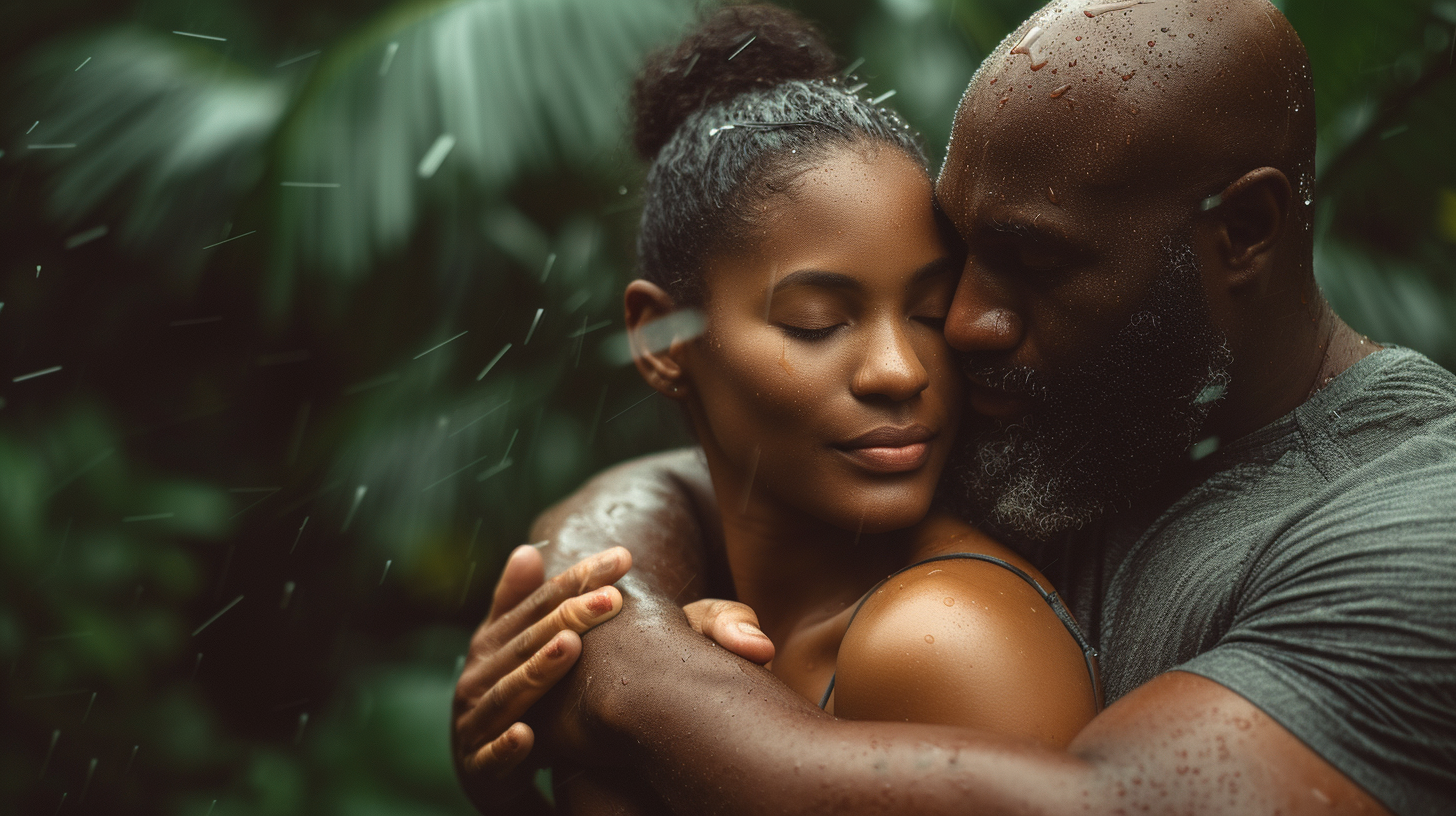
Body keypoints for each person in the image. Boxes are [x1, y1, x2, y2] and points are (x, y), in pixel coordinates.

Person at [454, 1, 1456, 814]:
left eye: (1032, 262)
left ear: (1241, 229)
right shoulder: (1078, 408)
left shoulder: (1418, 527)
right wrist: (598, 603)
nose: (962, 325)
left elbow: (1106, 805)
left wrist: (632, 681)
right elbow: (701, 471)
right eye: (960, 265)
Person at [463, 7, 1103, 812]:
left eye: (931, 312)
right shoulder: (721, 617)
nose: (899, 371)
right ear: (661, 337)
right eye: (817, 323)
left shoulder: (943, 637)